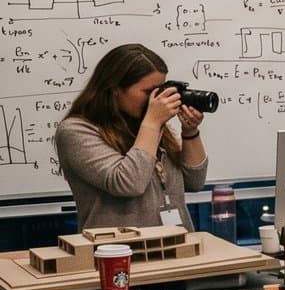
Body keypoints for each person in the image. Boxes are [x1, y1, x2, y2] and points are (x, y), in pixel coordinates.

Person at [55, 43, 208, 230]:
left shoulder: (147, 125)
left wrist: (190, 132)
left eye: (160, 89)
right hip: (119, 252)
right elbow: (128, 183)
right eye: (147, 91)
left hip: (176, 247)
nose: (156, 98)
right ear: (114, 89)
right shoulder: (75, 131)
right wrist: (152, 122)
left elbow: (194, 182)